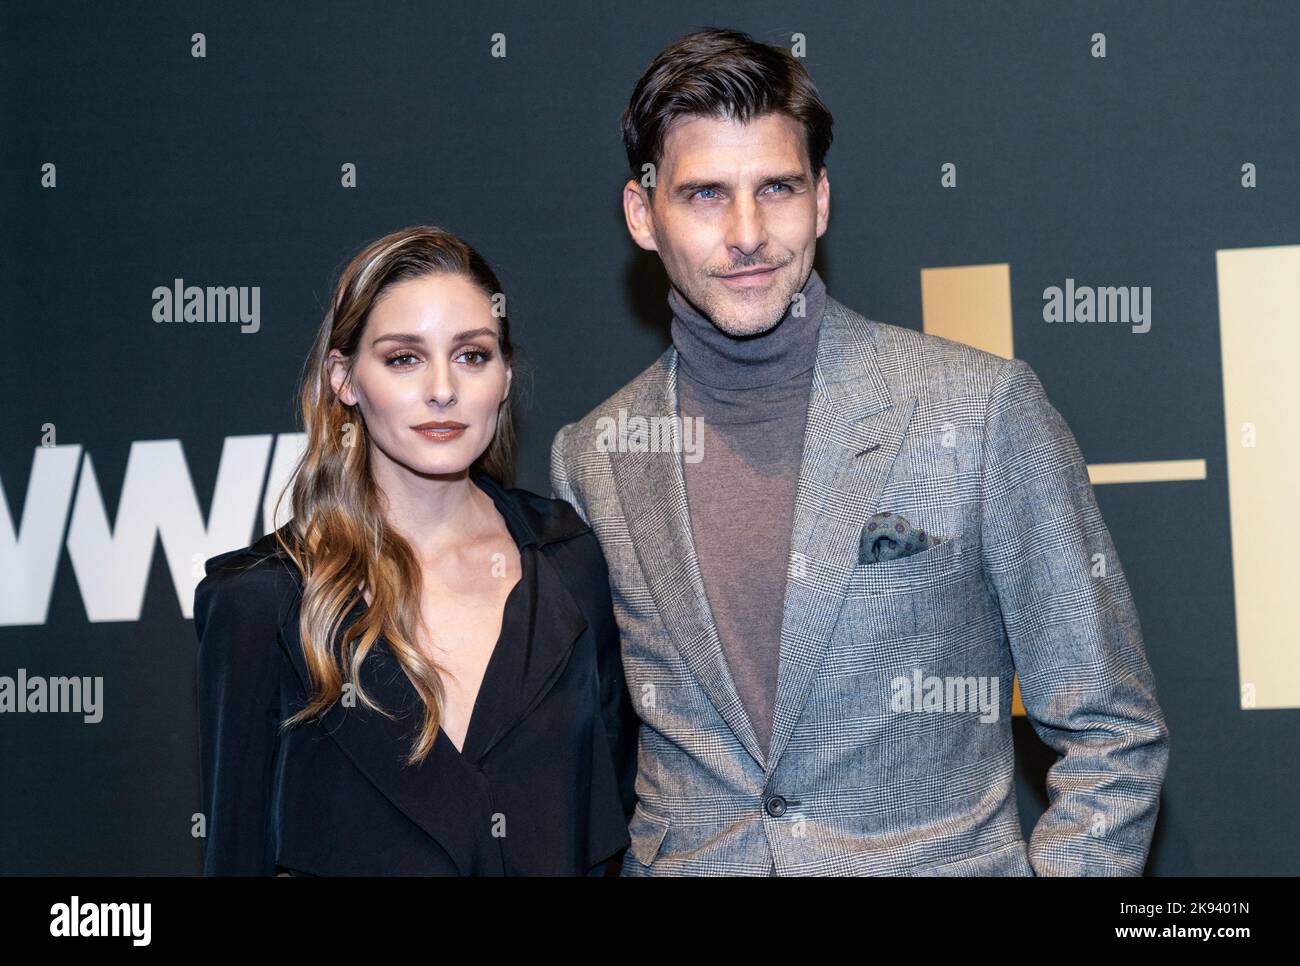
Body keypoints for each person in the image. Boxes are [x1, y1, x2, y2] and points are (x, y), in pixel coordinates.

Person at [550, 28, 1169, 876]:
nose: (747, 233)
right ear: (641, 214)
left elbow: (1113, 731)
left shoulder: (979, 409)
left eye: (777, 188)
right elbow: (589, 772)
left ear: (823, 201)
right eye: (704, 196)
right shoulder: (593, 459)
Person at [195, 225, 637, 875]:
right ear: (344, 378)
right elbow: (235, 857)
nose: (442, 389)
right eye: (404, 357)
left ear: (506, 375)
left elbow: (614, 826)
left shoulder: (570, 568)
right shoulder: (261, 604)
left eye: (472, 355)